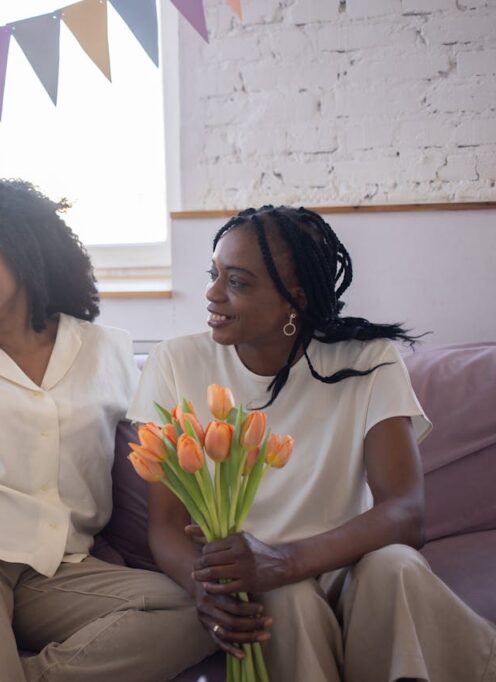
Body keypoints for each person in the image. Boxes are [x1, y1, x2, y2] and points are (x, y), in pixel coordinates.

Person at [0, 178, 216, 682]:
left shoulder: (106, 350)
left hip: (58, 565)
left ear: (21, 245)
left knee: (199, 613)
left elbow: (157, 446)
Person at [129, 205, 496, 681]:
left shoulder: (369, 360)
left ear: (294, 299)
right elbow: (166, 523)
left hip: (352, 569)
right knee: (285, 598)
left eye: (237, 282)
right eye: (213, 273)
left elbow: (406, 513)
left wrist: (285, 561)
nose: (212, 293)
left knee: (396, 567)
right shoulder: (176, 362)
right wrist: (207, 591)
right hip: (260, 587)